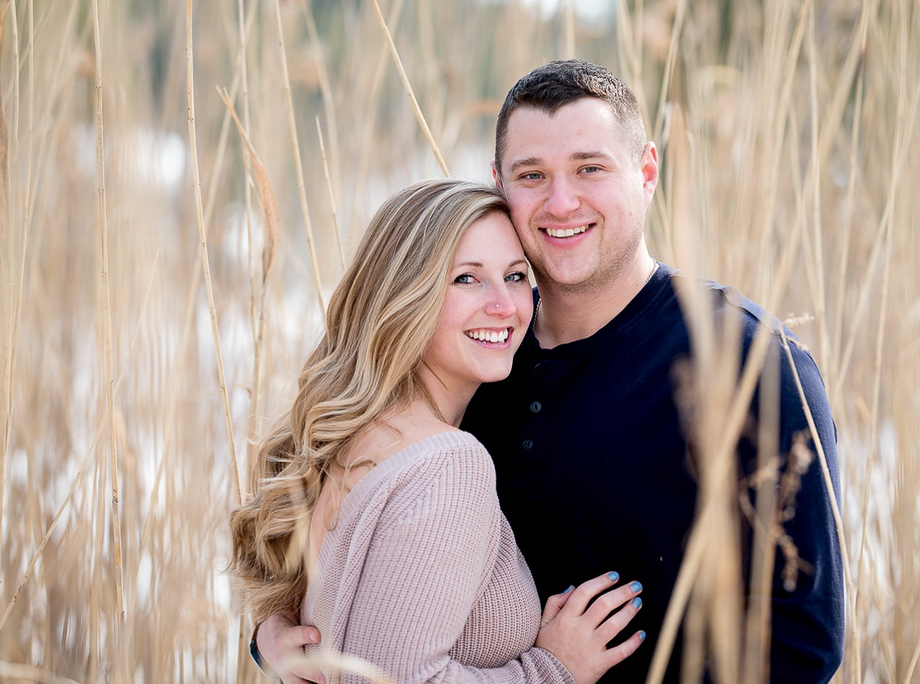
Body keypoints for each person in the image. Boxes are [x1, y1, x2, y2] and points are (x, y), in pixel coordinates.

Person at [258, 61, 844, 682]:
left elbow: (800, 646)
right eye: (532, 176)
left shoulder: (751, 364)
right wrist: (273, 634)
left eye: (590, 168)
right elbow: (354, 565)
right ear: (499, 183)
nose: (561, 202)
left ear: (647, 172)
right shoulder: (471, 357)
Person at [230, 178, 647, 684]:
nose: (504, 305)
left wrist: (267, 635)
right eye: (466, 279)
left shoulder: (354, 433)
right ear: (406, 296)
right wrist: (552, 670)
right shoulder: (447, 465)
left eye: (516, 276)